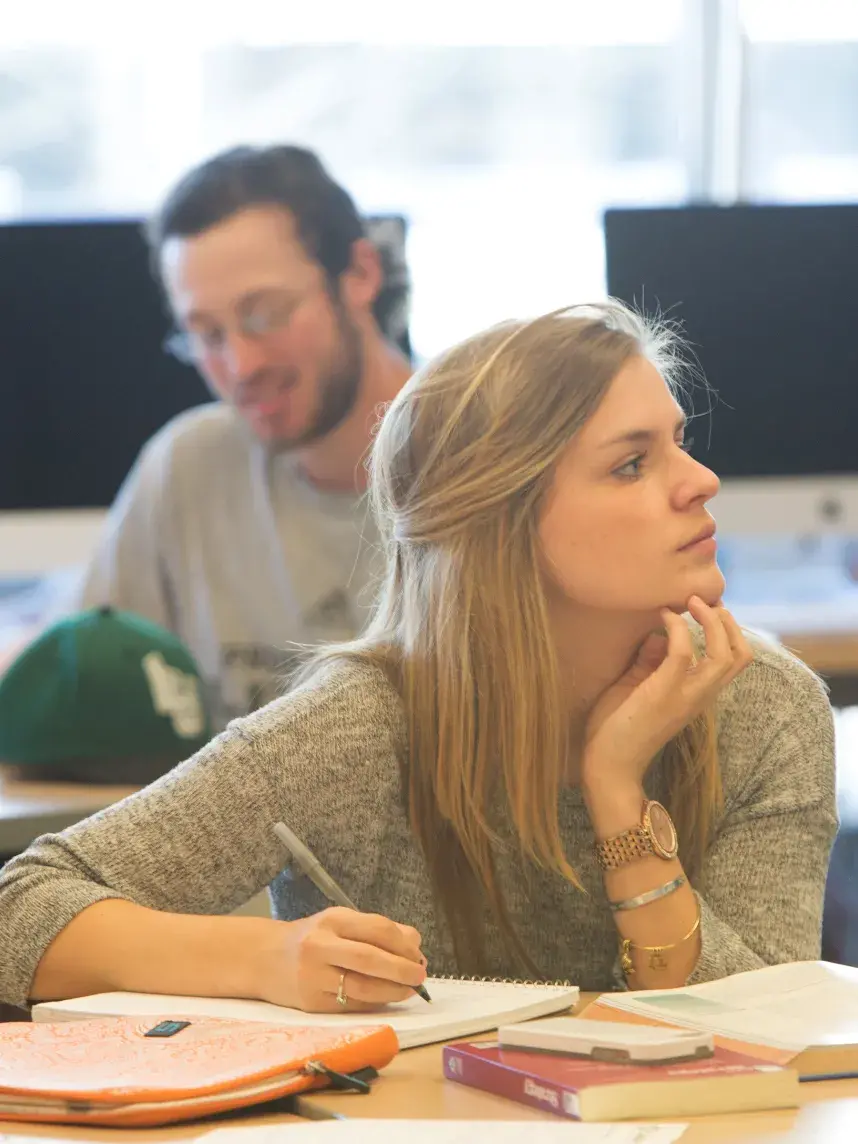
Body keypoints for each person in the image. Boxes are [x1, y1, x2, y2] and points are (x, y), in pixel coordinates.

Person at [0, 301, 837, 1012]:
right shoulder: (360, 725)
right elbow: (22, 908)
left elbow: (763, 1026)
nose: (701, 481)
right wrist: (264, 958)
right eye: (630, 465)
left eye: (679, 442)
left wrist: (618, 794)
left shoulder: (764, 710)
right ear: (497, 524)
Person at [71, 144, 413, 729]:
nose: (241, 364)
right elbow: (82, 686)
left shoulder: (490, 459)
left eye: (264, 314)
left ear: (360, 274)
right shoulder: (187, 470)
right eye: (205, 334)